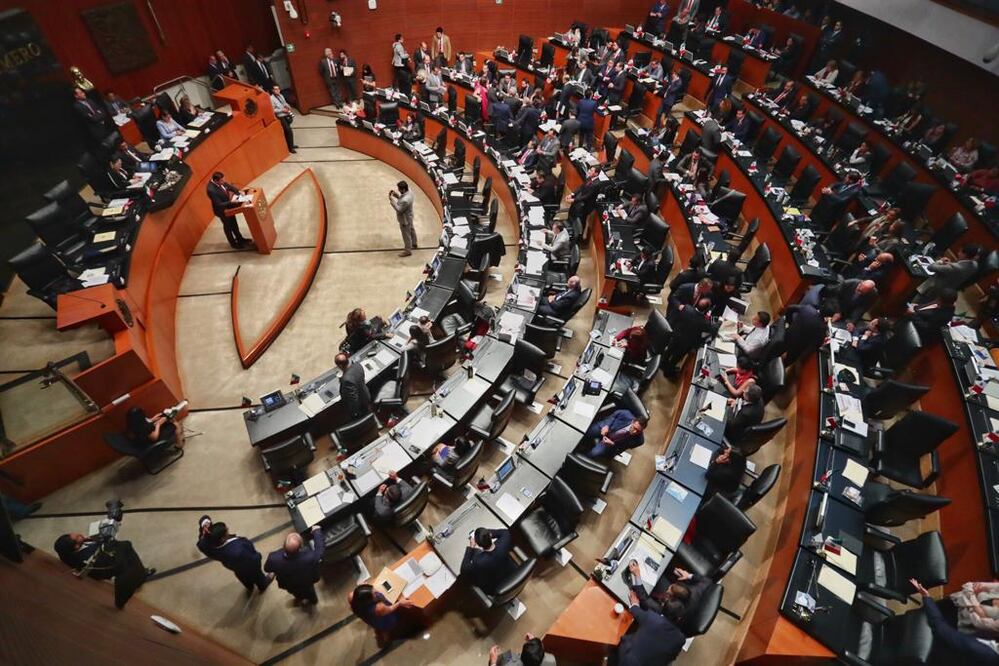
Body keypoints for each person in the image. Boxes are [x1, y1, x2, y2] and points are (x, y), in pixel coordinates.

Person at [54, 532, 155, 608]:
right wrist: (104, 541)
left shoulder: (69, 551)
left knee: (126, 548)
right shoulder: (85, 556)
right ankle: (139, 577)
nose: (80, 534)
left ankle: (140, 573)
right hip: (105, 566)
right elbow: (104, 553)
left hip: (103, 560)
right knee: (127, 553)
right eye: (77, 537)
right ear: (76, 546)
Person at [910, 579, 999, 663]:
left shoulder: (984, 651)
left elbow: (941, 629)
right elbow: (971, 587)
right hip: (953, 614)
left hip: (938, 644)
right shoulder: (991, 645)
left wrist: (926, 597)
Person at [196, 515, 274, 593]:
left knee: (242, 576)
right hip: (249, 565)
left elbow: (201, 543)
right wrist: (258, 556)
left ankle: (249, 587)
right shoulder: (238, 550)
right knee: (257, 575)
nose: (228, 529)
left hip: (235, 567)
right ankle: (263, 585)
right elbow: (253, 560)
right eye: (226, 530)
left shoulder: (208, 546)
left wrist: (204, 525)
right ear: (222, 538)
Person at [615, 585, 686, 665]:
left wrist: (635, 604)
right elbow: (672, 658)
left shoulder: (651, 617)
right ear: (679, 618)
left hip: (626, 659)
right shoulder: (681, 639)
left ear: (663, 608)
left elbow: (635, 610)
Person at [264, 527, 325, 605]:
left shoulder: (273, 558)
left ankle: (299, 598)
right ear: (300, 548)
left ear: (284, 546)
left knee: (296, 593)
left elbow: (266, 569)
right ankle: (313, 601)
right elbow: (319, 550)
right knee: (310, 593)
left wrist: (275, 571)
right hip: (306, 583)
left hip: (289, 585)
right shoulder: (309, 558)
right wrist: (317, 531)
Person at [349, 583, 417, 647]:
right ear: (368, 600)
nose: (376, 592)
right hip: (385, 620)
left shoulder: (352, 598)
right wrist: (399, 603)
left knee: (377, 628)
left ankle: (380, 633)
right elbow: (390, 609)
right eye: (374, 594)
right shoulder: (379, 608)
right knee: (389, 627)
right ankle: (387, 637)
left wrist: (364, 588)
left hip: (370, 619)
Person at [663, 297, 716, 377]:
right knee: (676, 358)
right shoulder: (704, 322)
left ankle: (662, 364)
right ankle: (668, 372)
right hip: (686, 343)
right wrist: (720, 322)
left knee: (669, 350)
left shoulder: (686, 308)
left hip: (676, 335)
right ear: (706, 310)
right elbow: (713, 329)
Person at [460, 528, 516, 593]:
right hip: (512, 574)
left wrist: (471, 547)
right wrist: (485, 534)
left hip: (496, 587)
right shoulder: (504, 541)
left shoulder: (478, 562)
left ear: (478, 544)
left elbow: (463, 569)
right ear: (490, 535)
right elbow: (504, 532)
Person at [207, 171, 251, 249]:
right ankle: (233, 244)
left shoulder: (221, 181)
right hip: (222, 211)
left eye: (224, 179)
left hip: (229, 207)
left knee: (234, 223)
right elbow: (219, 204)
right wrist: (231, 202)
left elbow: (231, 187)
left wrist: (239, 193)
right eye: (222, 181)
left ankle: (240, 239)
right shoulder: (211, 190)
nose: (224, 182)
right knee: (228, 227)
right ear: (216, 181)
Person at [782, 299, 832, 364]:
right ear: (829, 316)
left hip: (786, 334)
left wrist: (790, 322)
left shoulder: (808, 308)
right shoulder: (822, 328)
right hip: (794, 350)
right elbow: (815, 346)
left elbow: (790, 308)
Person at [335, 352, 372, 419]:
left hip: (361, 406)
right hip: (366, 396)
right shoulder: (357, 365)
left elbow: (354, 399)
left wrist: (354, 413)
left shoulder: (346, 380)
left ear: (340, 366)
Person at [389, 180, 418, 257]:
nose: (398, 190)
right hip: (410, 216)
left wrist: (392, 201)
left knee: (406, 235)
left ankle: (408, 250)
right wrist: (397, 196)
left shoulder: (405, 200)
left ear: (404, 189)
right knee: (411, 230)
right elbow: (403, 199)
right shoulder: (410, 192)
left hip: (405, 220)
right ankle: (414, 243)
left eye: (399, 189)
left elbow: (399, 210)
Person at [488, 633, 553, 666]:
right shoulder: (551, 661)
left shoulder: (507, 663)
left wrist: (493, 663)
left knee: (503, 658)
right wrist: (534, 645)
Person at [269, 85, 297, 153]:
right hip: (280, 116)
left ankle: (291, 145)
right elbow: (273, 110)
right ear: (273, 90)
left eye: (278, 89)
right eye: (276, 89)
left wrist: (287, 106)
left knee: (288, 131)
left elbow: (284, 103)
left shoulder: (281, 95)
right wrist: (282, 110)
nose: (277, 90)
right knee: (288, 131)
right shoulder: (271, 98)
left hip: (286, 114)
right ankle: (290, 148)